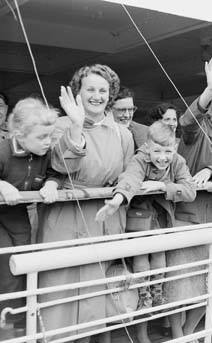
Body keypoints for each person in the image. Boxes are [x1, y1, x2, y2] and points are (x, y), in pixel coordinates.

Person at [38, 64, 134, 342]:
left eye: (103, 90)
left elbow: (129, 172)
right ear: (77, 92)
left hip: (103, 217)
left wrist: (122, 193)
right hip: (64, 218)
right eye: (90, 89)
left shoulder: (122, 134)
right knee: (59, 292)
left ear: (111, 94)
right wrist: (77, 126)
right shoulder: (60, 125)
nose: (97, 96)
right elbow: (58, 166)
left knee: (94, 296)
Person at [95, 121, 196, 343]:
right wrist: (117, 199)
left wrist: (163, 187)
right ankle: (144, 294)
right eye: (157, 151)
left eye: (167, 151)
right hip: (139, 214)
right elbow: (129, 178)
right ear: (147, 147)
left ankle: (156, 292)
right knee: (141, 255)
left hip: (161, 216)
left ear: (175, 148)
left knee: (159, 255)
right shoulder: (140, 159)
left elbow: (190, 190)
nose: (162, 157)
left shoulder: (177, 162)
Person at [165, 54, 212, 340]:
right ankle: (179, 334)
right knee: (180, 285)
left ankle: (188, 332)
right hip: (185, 217)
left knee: (211, 284)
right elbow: (187, 121)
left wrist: (211, 169)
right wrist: (209, 91)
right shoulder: (197, 130)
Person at [0, 97, 61, 327]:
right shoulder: (2, 151)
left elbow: (56, 173)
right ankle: (5, 324)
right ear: (19, 136)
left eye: (50, 136)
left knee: (23, 263)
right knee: (6, 265)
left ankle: (17, 323)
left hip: (17, 215)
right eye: (41, 137)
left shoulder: (45, 154)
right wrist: (2, 185)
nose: (48, 142)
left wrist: (51, 185)